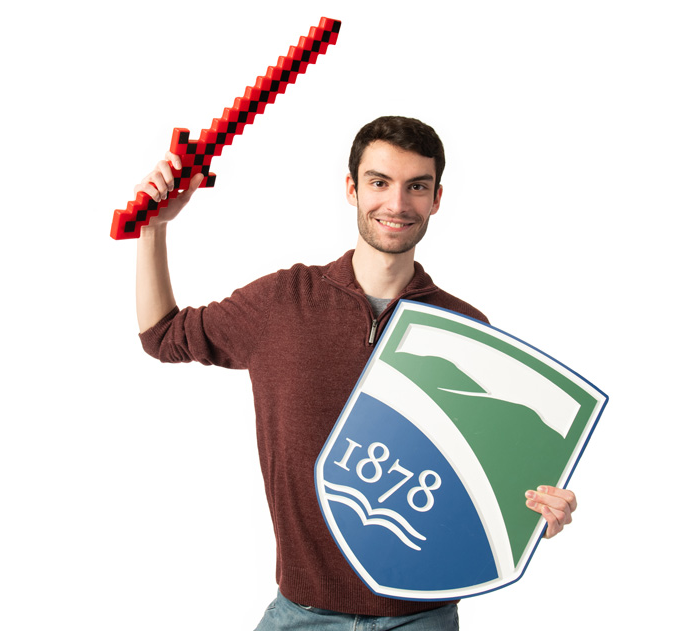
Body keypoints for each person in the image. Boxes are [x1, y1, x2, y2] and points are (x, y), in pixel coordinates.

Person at [133, 116, 578, 630]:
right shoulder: (282, 301)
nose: (397, 203)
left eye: (417, 187)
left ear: (437, 199)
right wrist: (154, 229)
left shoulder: (465, 330)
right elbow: (163, 336)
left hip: (422, 618)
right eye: (379, 182)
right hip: (302, 614)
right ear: (352, 189)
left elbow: (487, 479)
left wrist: (537, 514)